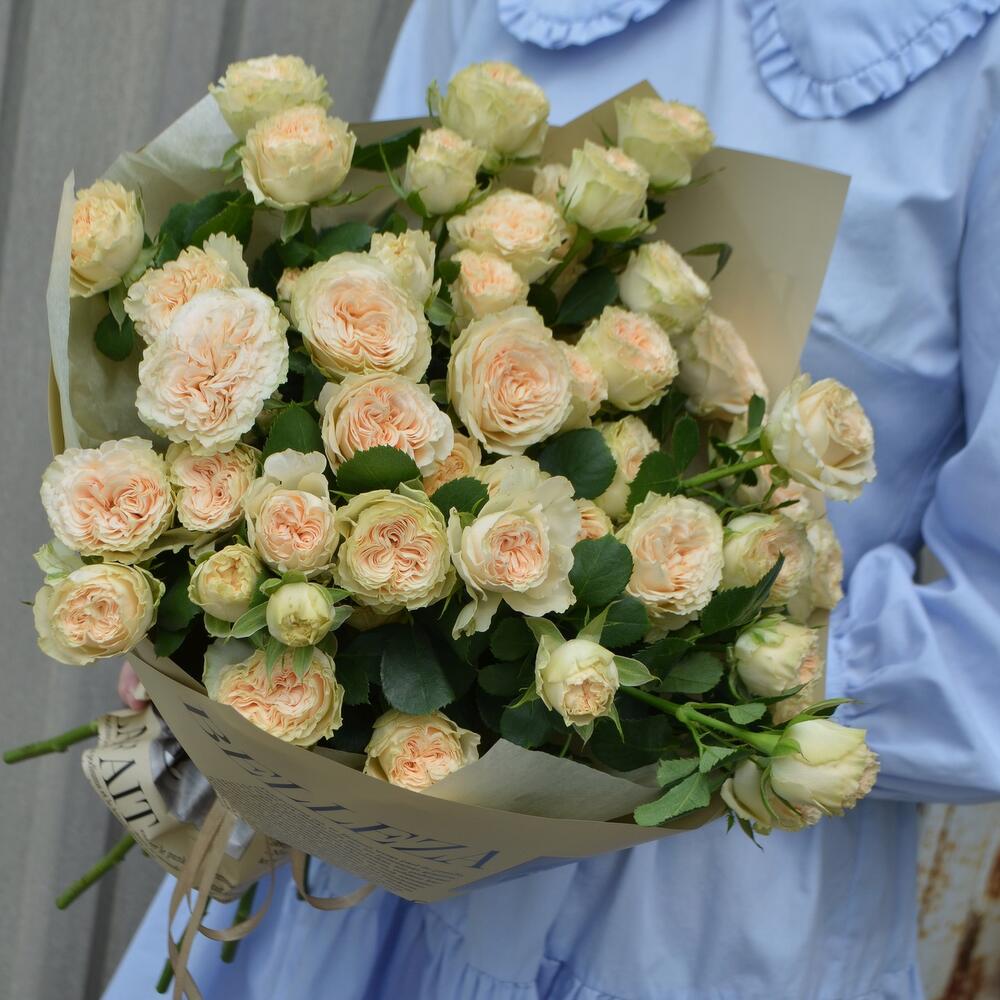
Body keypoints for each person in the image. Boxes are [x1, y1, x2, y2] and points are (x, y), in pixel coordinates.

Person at [104, 2, 1000, 997]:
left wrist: (735, 670)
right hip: (370, 833)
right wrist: (198, 605)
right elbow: (361, 263)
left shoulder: (974, 70)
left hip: (691, 901)